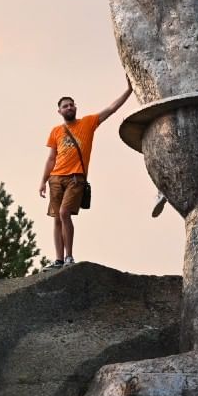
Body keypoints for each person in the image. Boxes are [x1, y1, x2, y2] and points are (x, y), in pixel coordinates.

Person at [38, 79, 134, 270]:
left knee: (65, 213)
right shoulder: (56, 131)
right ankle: (58, 260)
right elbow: (51, 158)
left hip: (76, 177)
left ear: (75, 108)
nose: (69, 107)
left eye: (71, 104)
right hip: (56, 178)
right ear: (59, 111)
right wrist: (43, 181)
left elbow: (111, 108)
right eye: (65, 106)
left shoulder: (88, 123)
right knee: (57, 218)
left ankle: (69, 257)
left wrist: (129, 90)